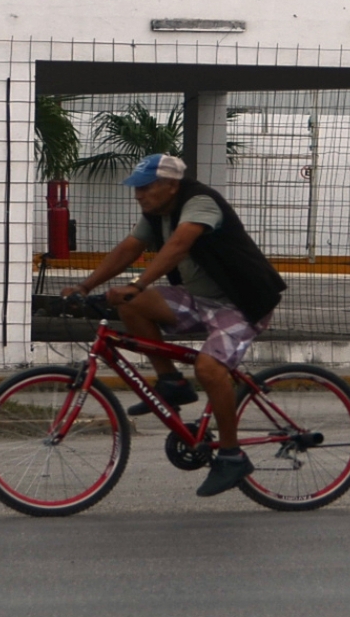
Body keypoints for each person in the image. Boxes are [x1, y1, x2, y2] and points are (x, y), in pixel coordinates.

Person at [61, 154, 286, 497]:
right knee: (133, 306)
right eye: (136, 188)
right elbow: (129, 248)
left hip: (241, 304)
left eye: (146, 187)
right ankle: (171, 383)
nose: (139, 195)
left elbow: (180, 245)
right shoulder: (157, 213)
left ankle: (231, 454)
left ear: (171, 185)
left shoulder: (200, 203)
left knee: (210, 370)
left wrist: (136, 285)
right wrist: (86, 286)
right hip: (198, 299)